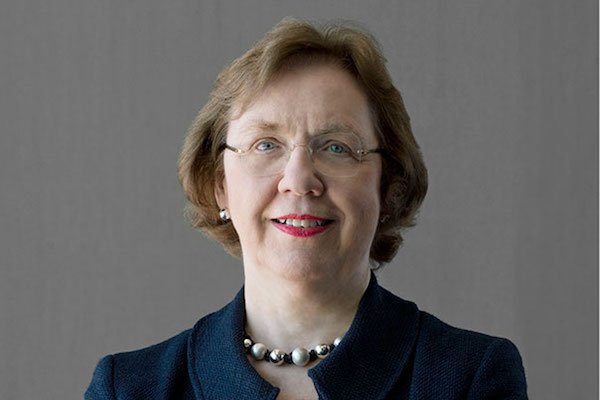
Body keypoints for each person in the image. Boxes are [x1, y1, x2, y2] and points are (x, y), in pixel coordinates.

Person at [85, 18, 528, 400]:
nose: (299, 180)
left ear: (388, 187)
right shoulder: (129, 388)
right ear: (220, 185)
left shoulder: (469, 377)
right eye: (266, 145)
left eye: (337, 147)